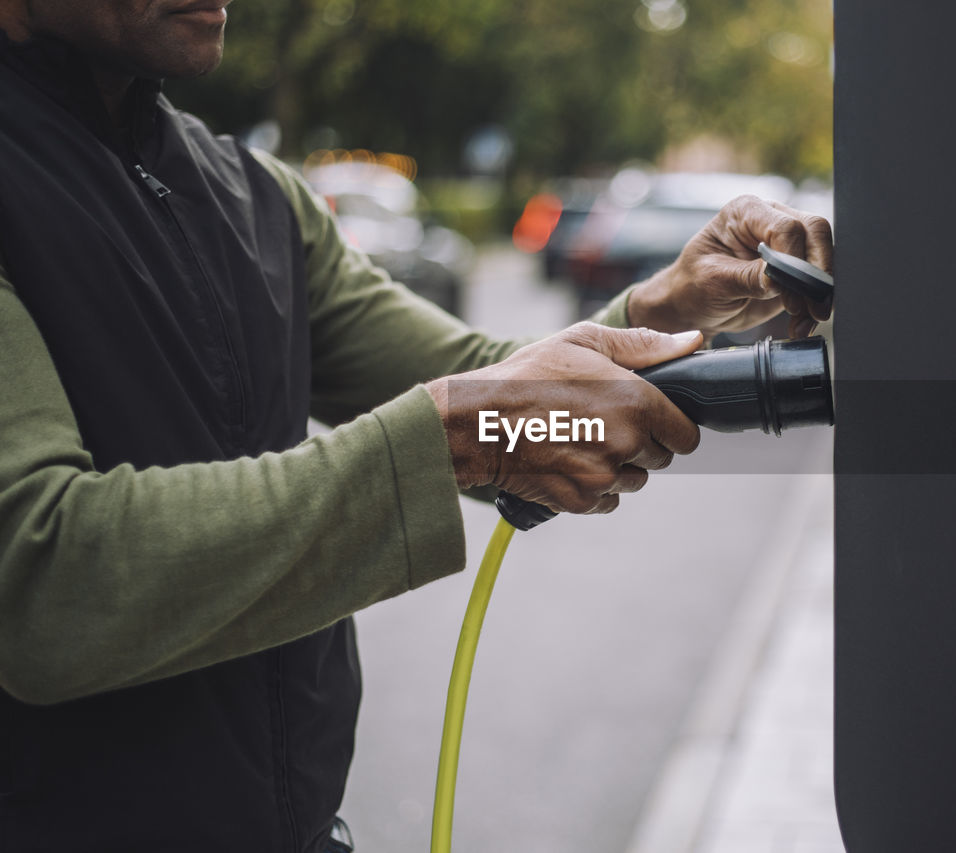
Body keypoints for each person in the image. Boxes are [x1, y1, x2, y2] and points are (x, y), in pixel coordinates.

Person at [0, 1, 833, 850]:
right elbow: (42, 576)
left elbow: (478, 374)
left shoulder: (256, 199)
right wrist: (453, 440)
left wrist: (663, 309)